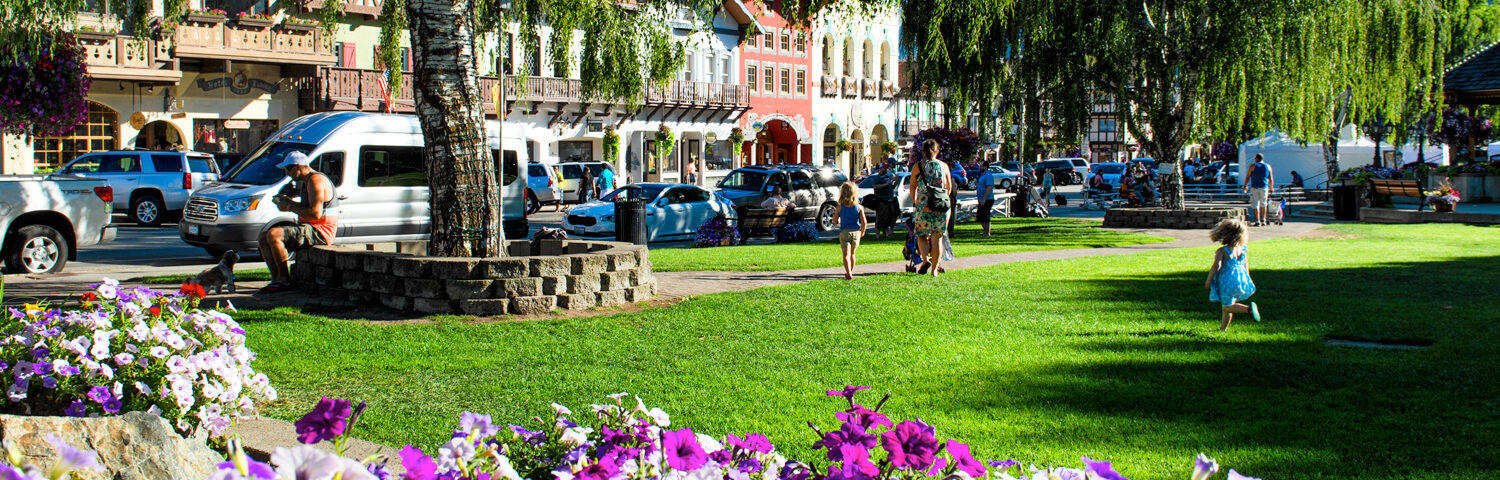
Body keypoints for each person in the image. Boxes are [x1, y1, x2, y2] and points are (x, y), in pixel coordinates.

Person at [258, 151, 338, 294]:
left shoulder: (315, 180)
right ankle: (276, 279)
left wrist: (289, 207)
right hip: (310, 227)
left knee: (274, 234)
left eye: (288, 169)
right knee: (263, 237)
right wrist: (288, 201)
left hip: (321, 231)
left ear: (298, 167)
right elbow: (307, 208)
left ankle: (284, 279)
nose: (287, 174)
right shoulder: (307, 182)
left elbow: (315, 213)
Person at [1206, 218, 1260, 331]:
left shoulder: (1222, 251)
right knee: (1229, 305)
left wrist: (1209, 280)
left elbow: (1216, 266)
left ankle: (1248, 309)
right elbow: (1245, 266)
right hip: (1240, 279)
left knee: (1227, 307)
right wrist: (1247, 278)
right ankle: (1222, 328)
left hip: (1227, 281)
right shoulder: (1242, 250)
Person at [908, 139, 952, 277]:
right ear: (937, 151)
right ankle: (934, 270)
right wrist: (940, 196)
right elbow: (949, 187)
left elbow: (913, 185)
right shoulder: (943, 166)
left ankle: (925, 260)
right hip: (940, 205)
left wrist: (914, 201)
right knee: (937, 237)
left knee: (922, 235)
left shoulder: (918, 166)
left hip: (923, 204)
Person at [836, 182, 868, 280]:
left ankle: (848, 272)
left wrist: (837, 220)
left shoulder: (840, 207)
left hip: (844, 232)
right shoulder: (859, 207)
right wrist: (862, 232)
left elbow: (834, 220)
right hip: (856, 232)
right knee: (852, 254)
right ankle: (851, 271)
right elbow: (864, 222)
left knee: (846, 254)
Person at [1244, 153, 1273, 226]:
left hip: (1255, 187)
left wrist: (1245, 186)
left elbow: (1248, 176)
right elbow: (1270, 178)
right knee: (1264, 203)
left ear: (1256, 158)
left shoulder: (1252, 166)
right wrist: (1271, 187)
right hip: (1264, 187)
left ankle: (1257, 220)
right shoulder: (1268, 166)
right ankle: (1263, 219)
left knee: (1255, 204)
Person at [870, 163, 898, 237]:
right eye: (883, 168)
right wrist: (886, 183)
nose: (885, 169)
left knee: (888, 218)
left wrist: (896, 181)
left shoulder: (888, 177)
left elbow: (892, 187)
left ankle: (886, 233)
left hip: (889, 200)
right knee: (880, 217)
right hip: (881, 200)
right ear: (880, 168)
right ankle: (877, 234)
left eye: (886, 168)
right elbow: (875, 187)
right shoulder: (877, 177)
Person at [975, 160, 996, 236]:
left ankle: (987, 232)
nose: (979, 167)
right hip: (981, 199)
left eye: (981, 166)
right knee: (980, 216)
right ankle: (985, 231)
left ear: (985, 167)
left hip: (987, 199)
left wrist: (984, 198)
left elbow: (989, 187)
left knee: (985, 215)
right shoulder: (982, 175)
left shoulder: (988, 175)